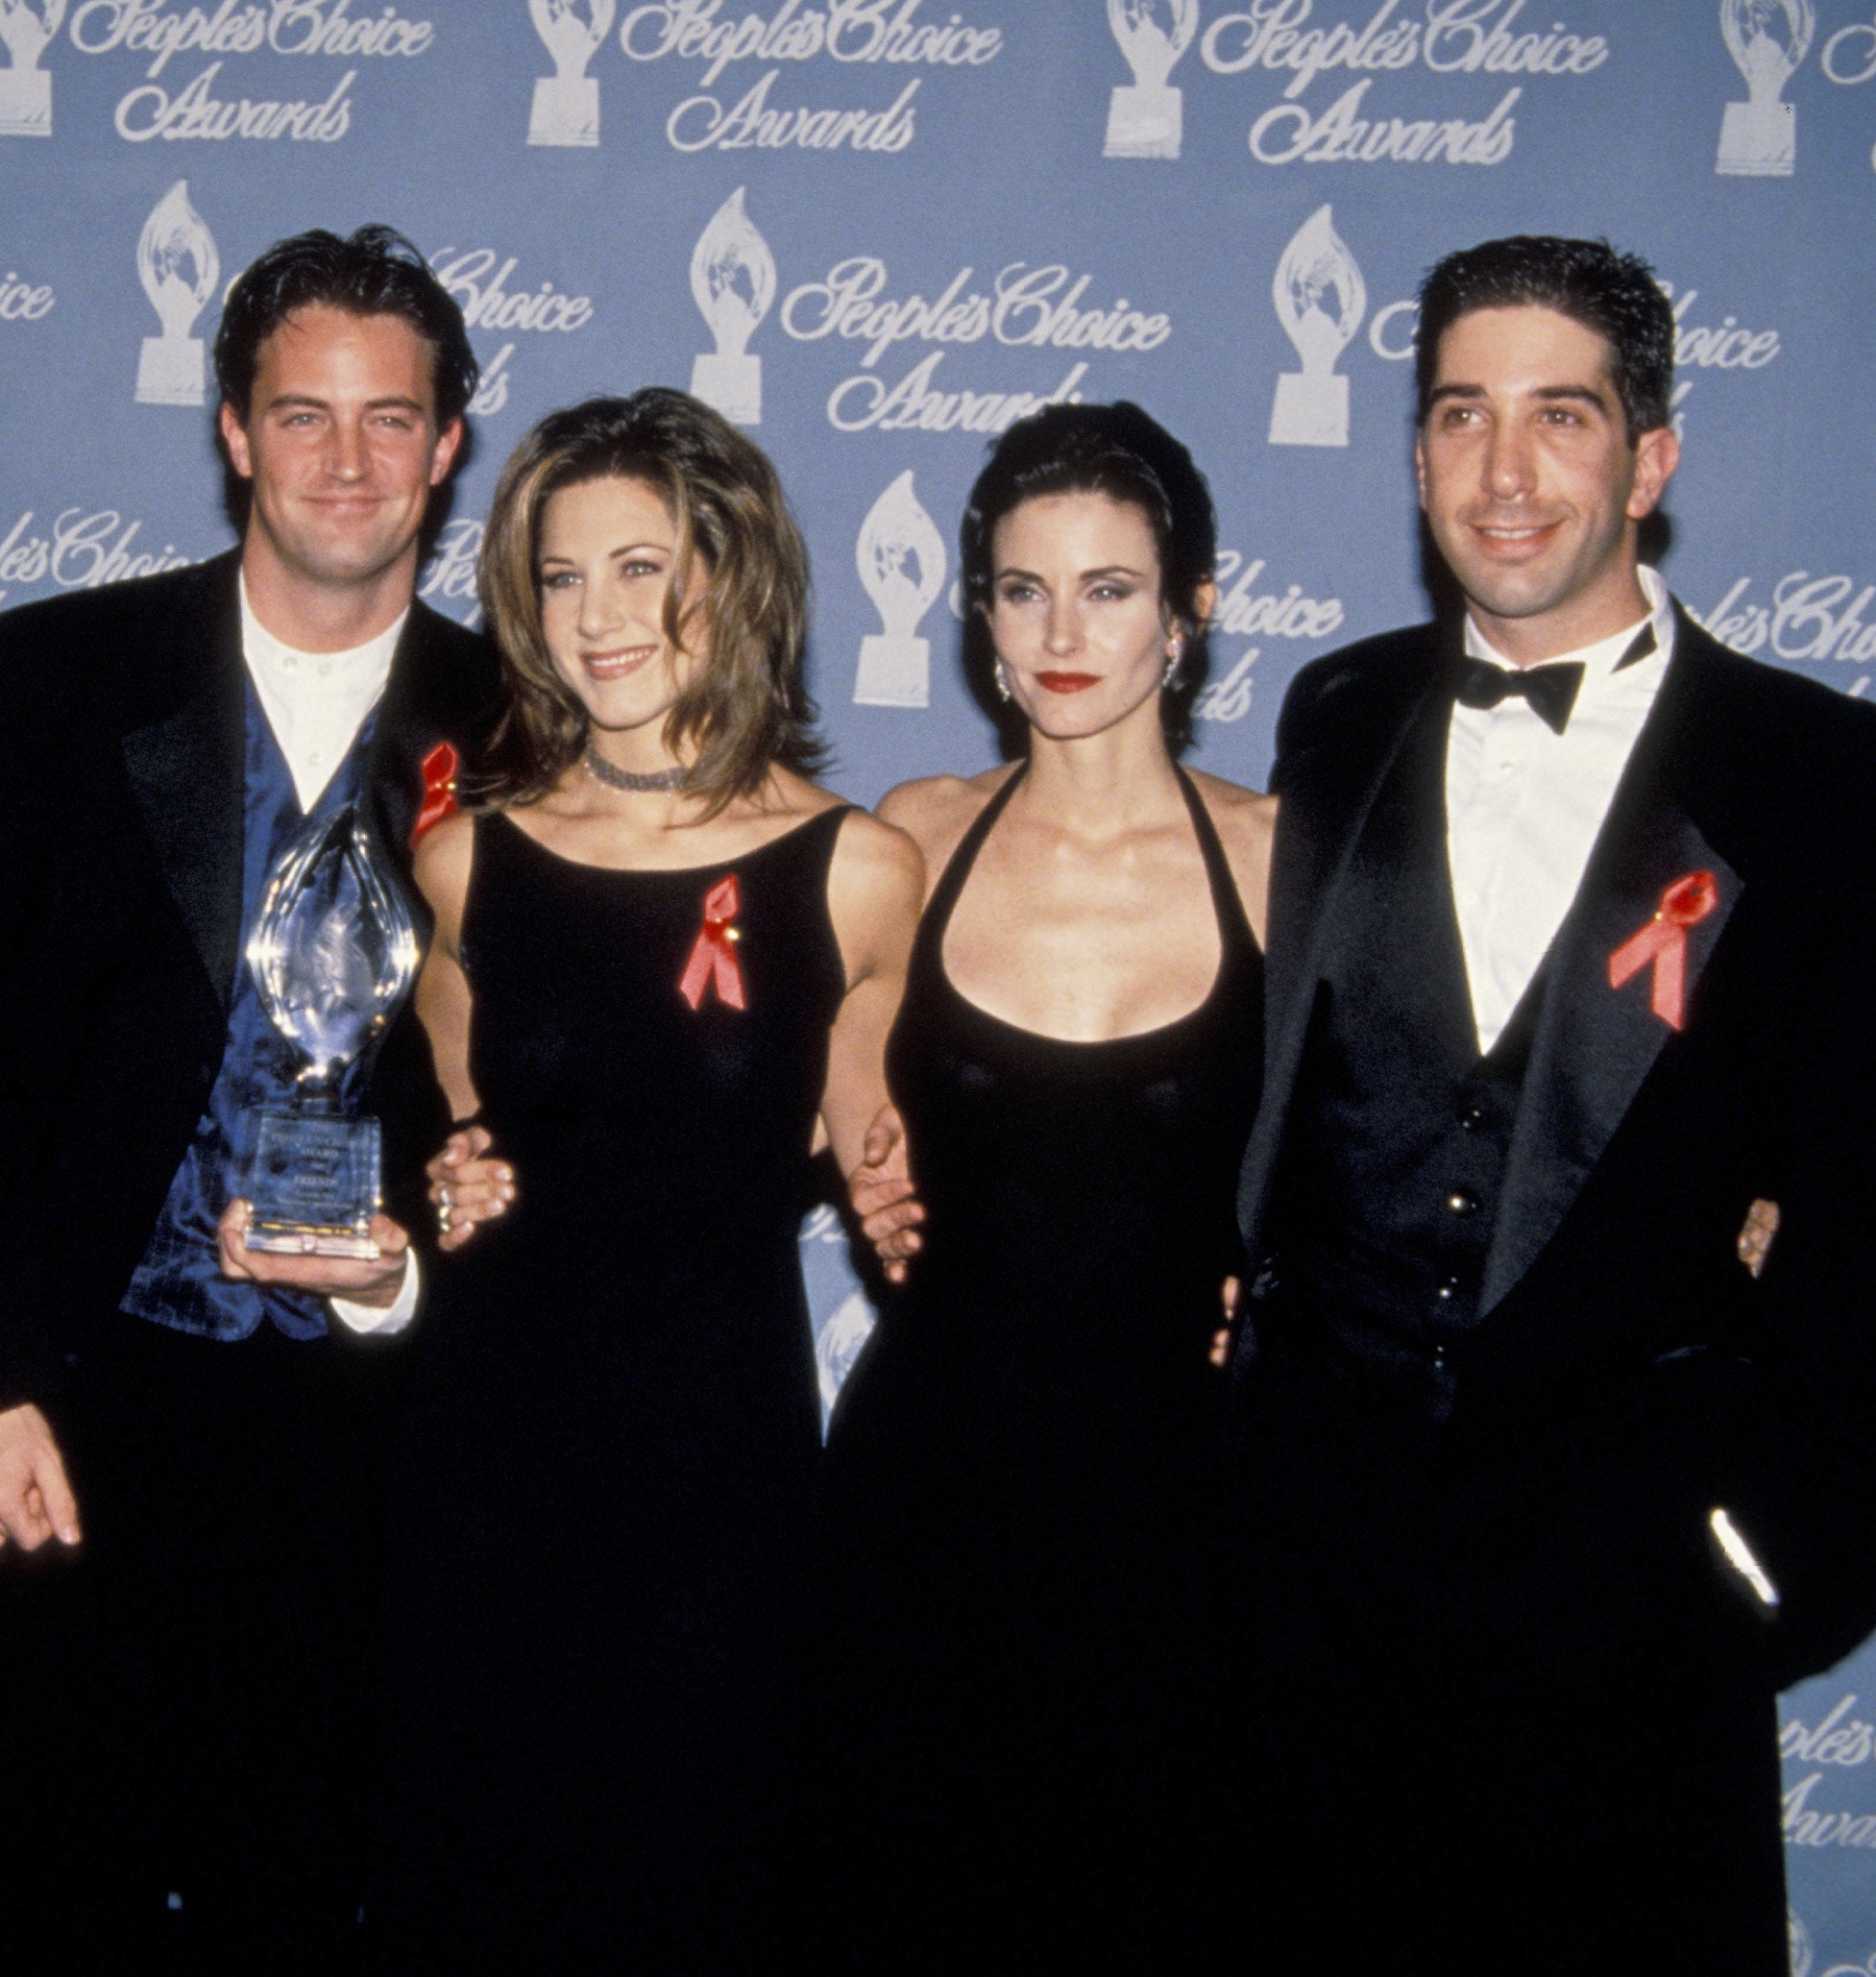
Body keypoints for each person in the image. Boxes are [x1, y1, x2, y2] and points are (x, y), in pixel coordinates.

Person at [1230, 235, 1876, 1975]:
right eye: (1461, 414)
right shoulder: (1337, 715)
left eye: (1563, 414)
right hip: (1321, 1607)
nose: (1506, 469)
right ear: (1413, 456)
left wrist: (1761, 1567)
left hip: (1636, 1621)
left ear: (1654, 457)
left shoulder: (1843, 782)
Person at [0, 226, 501, 1970]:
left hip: (379, 1433)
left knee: (311, 1883)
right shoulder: (50, 677)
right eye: (299, 413)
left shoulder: (524, 718)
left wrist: (417, 1273)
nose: (345, 460)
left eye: (389, 419)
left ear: (449, 445)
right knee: (44, 1871)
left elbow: (545, 1106)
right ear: (232, 430)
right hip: (85, 1391)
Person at [367, 388, 923, 1973]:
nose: (598, 618)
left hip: (719, 1469)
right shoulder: (469, 857)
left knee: (699, 1880)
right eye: (560, 577)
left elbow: (900, 1163)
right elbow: (451, 1142)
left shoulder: (859, 870)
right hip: (486, 1455)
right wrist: (444, 1192)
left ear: (730, 578)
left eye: (640, 567)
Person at [816, 401, 1272, 1971]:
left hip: (1188, 1531)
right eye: (1023, 589)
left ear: (1191, 612)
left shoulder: (1289, 860)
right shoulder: (910, 841)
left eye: (1111, 588)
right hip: (927, 1508)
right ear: (979, 617)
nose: (1063, 632)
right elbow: (796, 1090)